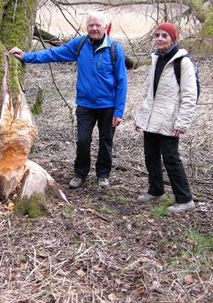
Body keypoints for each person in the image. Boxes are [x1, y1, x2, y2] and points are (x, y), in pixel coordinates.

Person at [10, 11, 127, 189]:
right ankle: (80, 173)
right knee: (82, 141)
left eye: (98, 25)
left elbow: (122, 82)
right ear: (87, 27)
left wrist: (118, 111)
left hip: (108, 106)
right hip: (85, 105)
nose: (94, 28)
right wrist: (27, 56)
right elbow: (54, 53)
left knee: (106, 141)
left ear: (105, 27)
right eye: (91, 25)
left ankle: (103, 175)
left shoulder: (114, 49)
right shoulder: (80, 44)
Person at [134, 22, 197, 213]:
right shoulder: (155, 59)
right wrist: (140, 116)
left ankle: (185, 199)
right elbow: (148, 91)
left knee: (171, 158)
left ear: (173, 39)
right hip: (151, 118)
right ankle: (156, 190)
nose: (160, 39)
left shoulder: (182, 62)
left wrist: (182, 122)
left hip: (170, 120)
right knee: (150, 156)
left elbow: (189, 95)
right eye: (157, 35)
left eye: (165, 36)